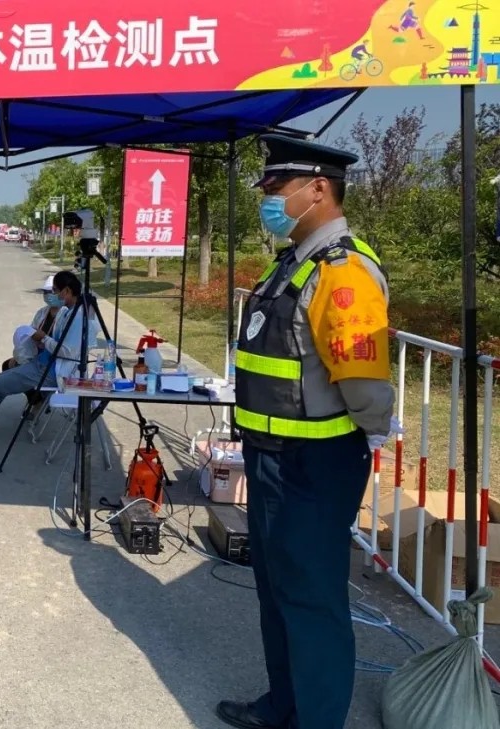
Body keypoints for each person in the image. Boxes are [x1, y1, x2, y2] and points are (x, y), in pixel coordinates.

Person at [216, 135, 397, 729]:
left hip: (315, 463)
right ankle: (283, 705)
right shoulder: (293, 261)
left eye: (277, 187)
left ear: (319, 188)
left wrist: (374, 429)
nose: (268, 198)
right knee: (277, 589)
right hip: (272, 456)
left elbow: (361, 375)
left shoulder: (344, 273)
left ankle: (316, 719)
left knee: (312, 598)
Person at [0, 270, 94, 435]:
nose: (53, 294)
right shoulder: (66, 312)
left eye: (55, 290)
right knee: (3, 375)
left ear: (67, 291)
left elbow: (67, 352)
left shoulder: (77, 317)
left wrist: (43, 338)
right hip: (41, 363)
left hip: (50, 371)